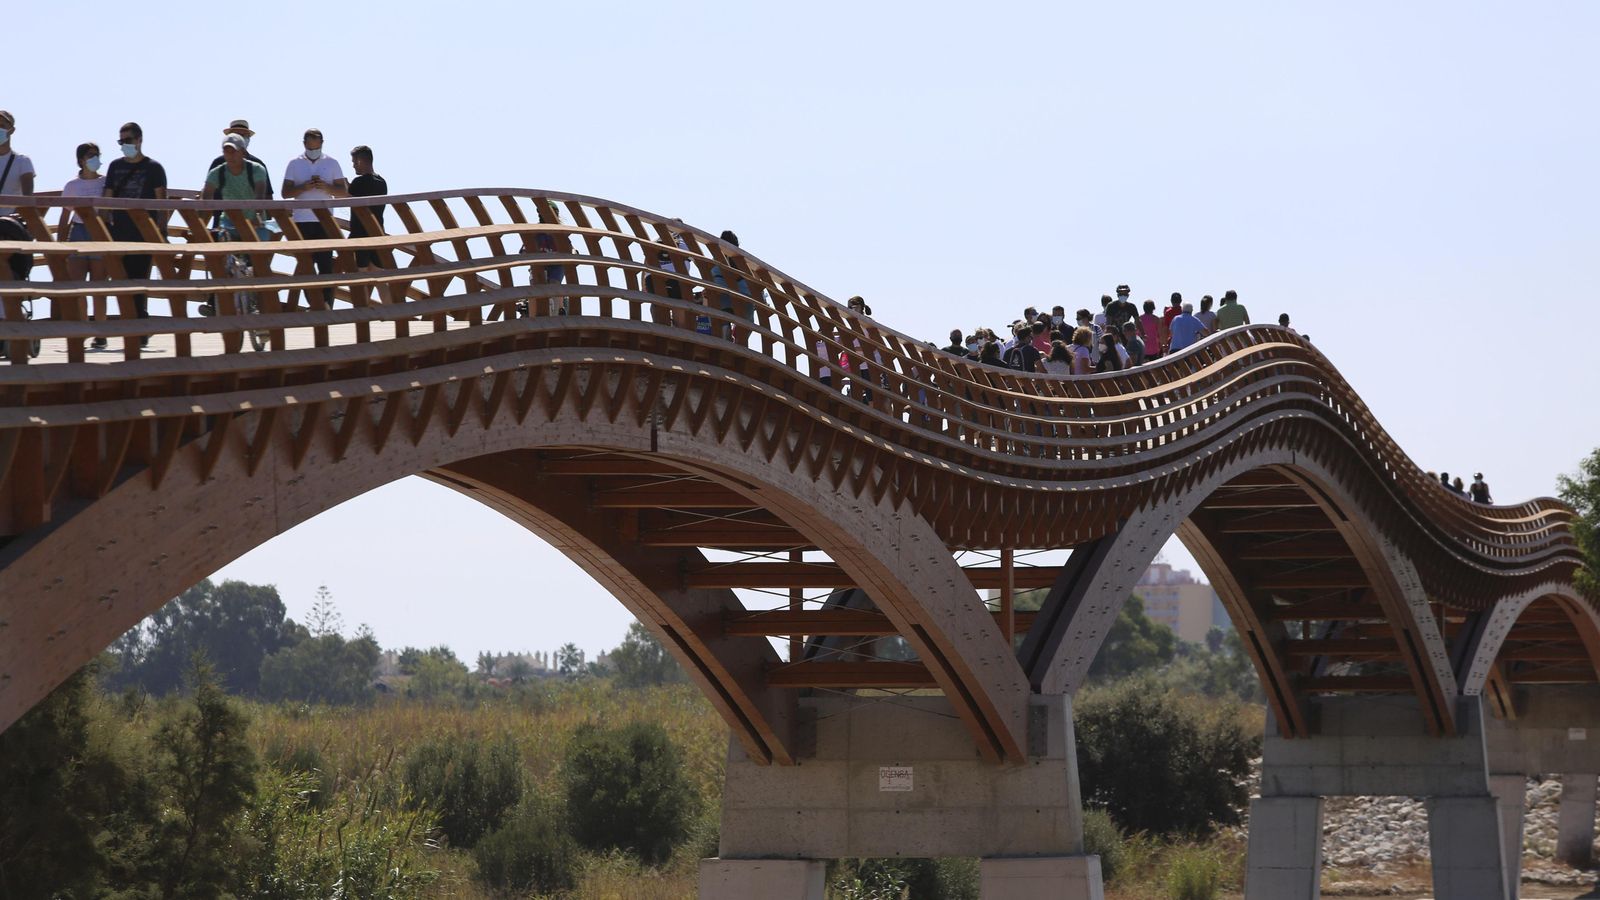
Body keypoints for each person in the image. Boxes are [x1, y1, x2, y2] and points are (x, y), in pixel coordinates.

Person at [103, 121, 167, 347]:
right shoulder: (114, 166)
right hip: (118, 232)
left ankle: (139, 329)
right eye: (121, 141)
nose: (124, 145)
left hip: (144, 234)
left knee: (139, 281)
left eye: (128, 140)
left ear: (139, 140)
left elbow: (162, 202)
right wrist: (103, 227)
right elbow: (107, 198)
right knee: (122, 282)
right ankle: (135, 326)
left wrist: (161, 232)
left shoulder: (154, 168)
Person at [282, 128, 349, 308]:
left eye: (316, 147)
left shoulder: (332, 163)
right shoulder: (294, 163)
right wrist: (303, 187)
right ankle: (315, 304)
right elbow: (285, 192)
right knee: (305, 267)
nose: (313, 150)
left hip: (325, 221)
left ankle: (326, 304)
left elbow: (343, 192)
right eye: (310, 147)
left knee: (326, 265)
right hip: (302, 221)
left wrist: (326, 187)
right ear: (304, 144)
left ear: (322, 144)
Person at [57, 142, 108, 348]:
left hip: (100, 232)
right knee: (78, 286)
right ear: (81, 160)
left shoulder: (105, 183)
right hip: (78, 231)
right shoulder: (72, 186)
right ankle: (84, 327)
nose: (95, 158)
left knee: (99, 285)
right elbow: (65, 215)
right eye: (90, 155)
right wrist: (60, 244)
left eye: (97, 155)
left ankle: (101, 332)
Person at [347, 144, 388, 276]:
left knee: (359, 276)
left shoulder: (359, 182)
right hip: (377, 234)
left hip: (359, 236)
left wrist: (343, 186)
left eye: (354, 162)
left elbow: (344, 196)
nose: (353, 166)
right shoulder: (382, 182)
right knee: (378, 277)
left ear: (360, 161)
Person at [0, 110, 35, 216]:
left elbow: (27, 197)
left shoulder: (22, 162)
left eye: (2, 126)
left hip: (9, 222)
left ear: (11, 130)